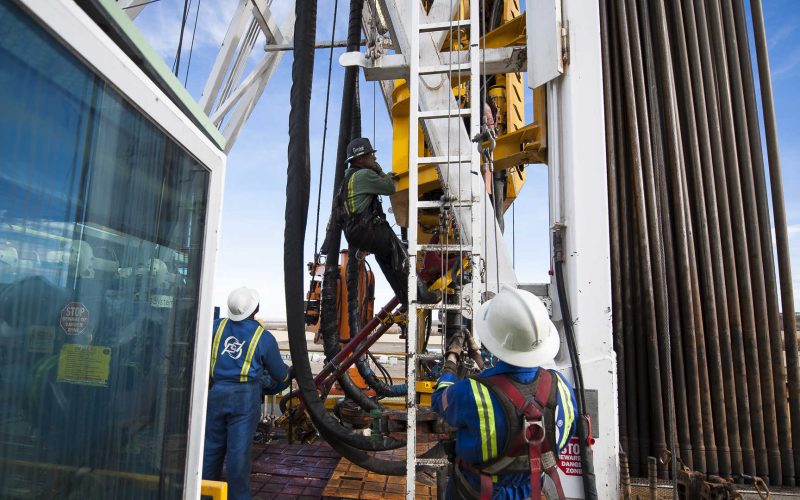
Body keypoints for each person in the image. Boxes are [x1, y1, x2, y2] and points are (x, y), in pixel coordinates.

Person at [432, 286, 578, 500]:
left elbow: (439, 400)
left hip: (477, 492)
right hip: (532, 492)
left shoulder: (471, 392)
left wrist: (451, 361)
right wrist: (480, 358)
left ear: (496, 339)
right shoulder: (561, 387)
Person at [202, 287, 291, 500]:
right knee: (238, 454)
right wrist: (289, 378)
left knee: (211, 448)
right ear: (256, 308)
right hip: (244, 398)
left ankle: (204, 494)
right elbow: (280, 374)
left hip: (216, 393)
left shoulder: (217, 326)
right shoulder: (263, 337)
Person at [338, 137, 439, 307]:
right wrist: (380, 171)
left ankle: (406, 300)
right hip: (367, 229)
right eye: (371, 155)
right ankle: (421, 295)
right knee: (400, 254)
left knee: (386, 259)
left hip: (353, 232)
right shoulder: (365, 175)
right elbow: (389, 187)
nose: (374, 158)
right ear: (361, 159)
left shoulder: (348, 179)